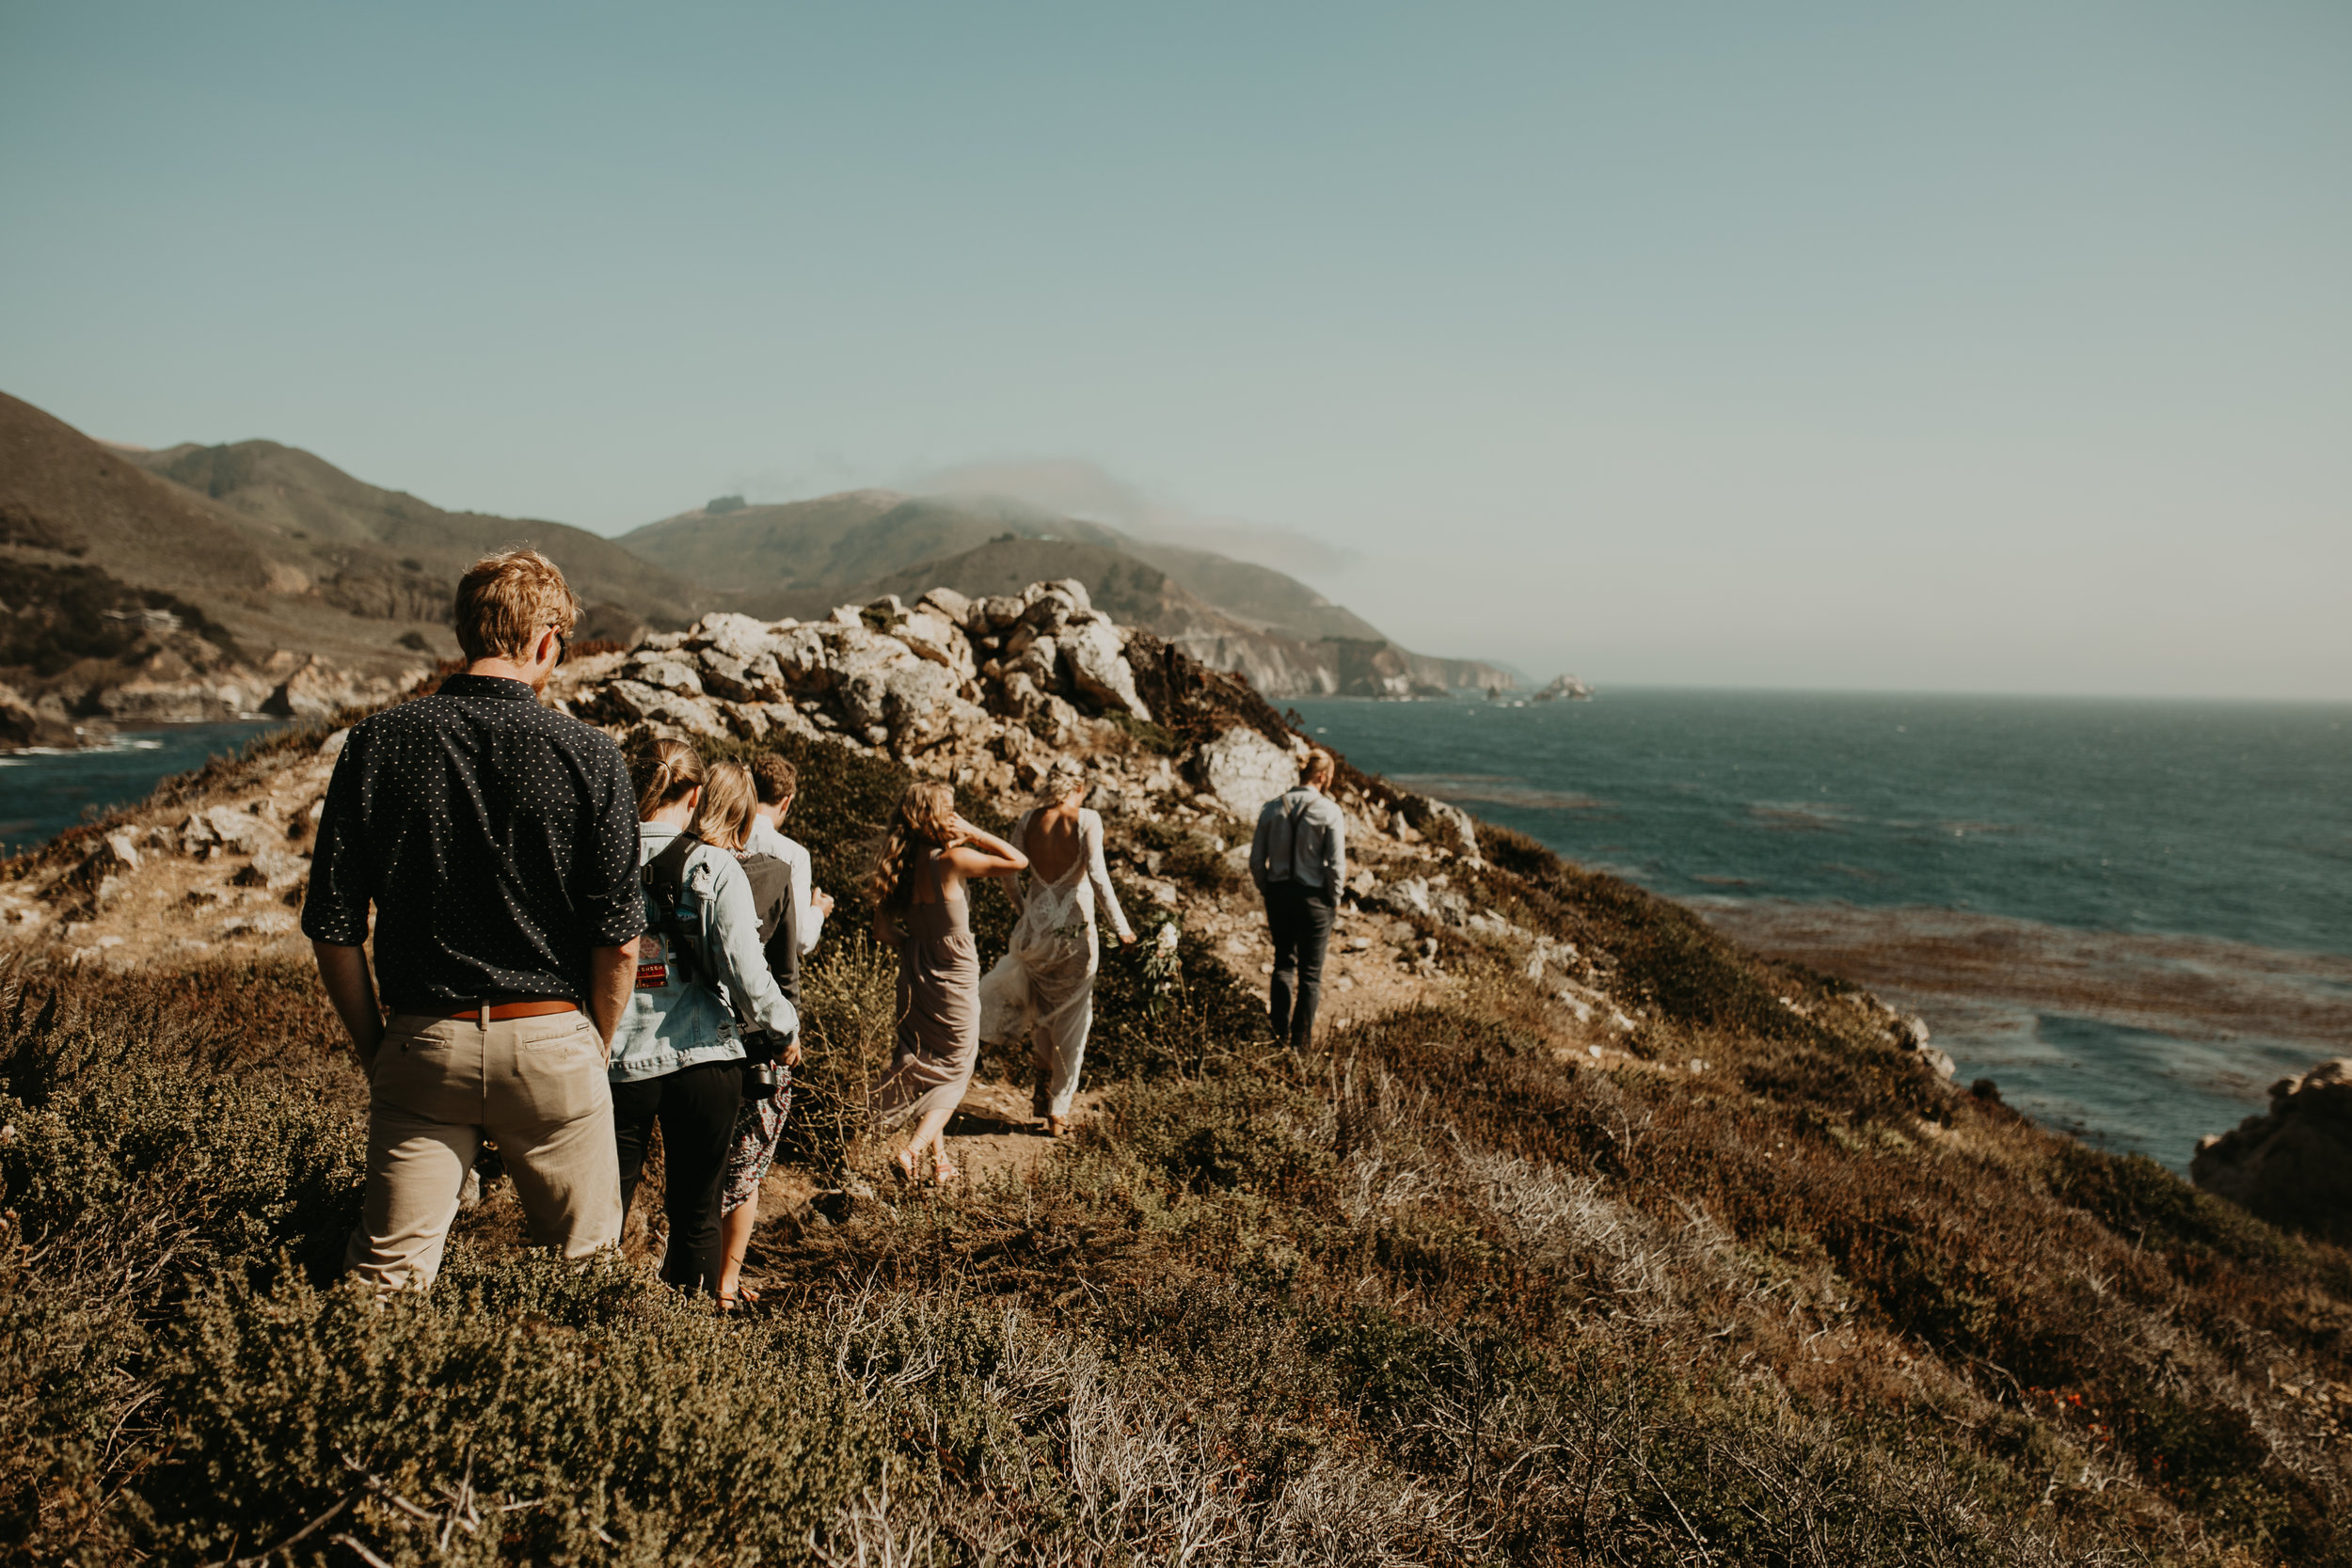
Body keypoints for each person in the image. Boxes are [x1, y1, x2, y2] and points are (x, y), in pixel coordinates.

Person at [303, 549, 641, 1291]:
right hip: (552, 1038)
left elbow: (333, 927)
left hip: (423, 1038)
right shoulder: (592, 755)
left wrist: (379, 1050)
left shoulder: (375, 744)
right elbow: (618, 941)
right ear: (550, 641)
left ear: (466, 631)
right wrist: (593, 1041)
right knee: (589, 1281)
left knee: (385, 1284)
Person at [607, 741, 800, 1295]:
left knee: (606, 1209)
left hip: (619, 1061)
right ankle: (683, 1336)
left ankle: (595, 1323)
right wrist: (784, 1026)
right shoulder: (714, 865)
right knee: (697, 1212)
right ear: (695, 795)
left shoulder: (603, 856)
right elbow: (748, 972)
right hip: (704, 1060)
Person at [866, 781, 1027, 1185]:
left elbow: (883, 931)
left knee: (926, 1061)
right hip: (953, 976)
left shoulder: (899, 864)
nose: (955, 816)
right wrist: (975, 832)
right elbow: (1018, 862)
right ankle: (912, 1150)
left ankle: (938, 1159)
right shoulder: (952, 860)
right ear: (934, 815)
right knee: (956, 1068)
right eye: (950, 809)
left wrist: (918, 946)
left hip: (915, 970)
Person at [694, 759, 803, 1308]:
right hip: (756, 1038)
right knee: (748, 1163)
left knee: (699, 1163)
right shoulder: (774, 872)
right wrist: (788, 1035)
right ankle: (727, 1284)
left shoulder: (674, 864)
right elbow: (783, 973)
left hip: (680, 1040)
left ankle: (687, 1275)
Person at [978, 758, 1136, 1137]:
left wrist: (1024, 910)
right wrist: (1123, 928)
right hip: (1074, 937)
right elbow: (1098, 876)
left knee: (1044, 1013)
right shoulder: (1087, 820)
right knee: (1075, 1022)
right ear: (1079, 788)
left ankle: (1040, 1087)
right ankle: (1058, 1111)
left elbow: (1009, 874)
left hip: (1035, 932)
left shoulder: (1028, 820)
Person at [1248, 750, 1347, 1051]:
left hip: (1278, 894)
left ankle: (1277, 1037)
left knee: (1283, 964)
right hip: (1314, 899)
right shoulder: (1329, 812)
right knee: (1311, 976)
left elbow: (1256, 861)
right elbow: (1336, 865)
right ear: (1321, 776)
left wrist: (1267, 889)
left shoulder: (1271, 809)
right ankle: (1301, 1045)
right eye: (1330, 775)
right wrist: (1334, 899)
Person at [746, 753, 833, 960]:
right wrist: (819, 911)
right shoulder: (795, 855)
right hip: (765, 970)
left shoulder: (721, 837)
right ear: (786, 802)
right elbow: (801, 939)